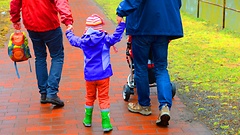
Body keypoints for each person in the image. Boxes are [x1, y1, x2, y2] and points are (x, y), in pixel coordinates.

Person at [116, 0, 183, 126]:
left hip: (142, 26)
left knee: (141, 67)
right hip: (163, 27)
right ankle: (164, 106)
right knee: (161, 68)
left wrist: (121, 11)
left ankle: (144, 105)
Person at [65, 14, 125, 132]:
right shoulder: (106, 40)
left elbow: (73, 40)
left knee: (90, 97)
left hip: (89, 76)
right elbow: (116, 37)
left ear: (87, 28)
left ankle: (87, 119)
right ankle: (106, 123)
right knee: (104, 98)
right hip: (103, 75)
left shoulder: (83, 41)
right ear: (100, 28)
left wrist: (69, 32)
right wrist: (121, 24)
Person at [9, 0, 73, 107]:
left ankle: (43, 93)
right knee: (57, 57)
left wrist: (15, 19)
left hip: (32, 24)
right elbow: (61, 2)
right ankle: (52, 93)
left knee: (40, 57)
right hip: (50, 23)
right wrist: (68, 20)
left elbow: (14, 2)